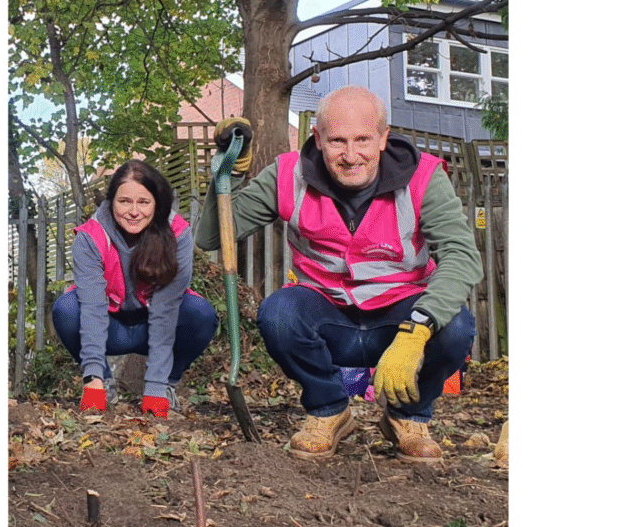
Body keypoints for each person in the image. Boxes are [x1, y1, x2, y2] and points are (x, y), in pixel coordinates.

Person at [195, 86, 483, 462]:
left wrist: (417, 331)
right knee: (278, 313)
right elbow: (212, 236)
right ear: (317, 137)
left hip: (398, 317)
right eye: (337, 141)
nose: (350, 155)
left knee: (457, 326)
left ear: (383, 137)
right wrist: (228, 175)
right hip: (327, 315)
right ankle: (329, 411)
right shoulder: (288, 174)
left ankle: (407, 418)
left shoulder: (424, 178)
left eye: (363, 139)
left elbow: (462, 256)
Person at [52, 159, 218, 416]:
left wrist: (155, 386)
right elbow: (93, 308)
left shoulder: (177, 234)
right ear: (110, 202)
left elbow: (166, 310)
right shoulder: (90, 237)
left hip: (157, 325)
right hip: (111, 328)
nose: (133, 211)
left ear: (157, 202)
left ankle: (168, 386)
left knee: (200, 312)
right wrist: (92, 376)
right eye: (124, 201)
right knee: (67, 308)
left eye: (143, 202)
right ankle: (104, 384)